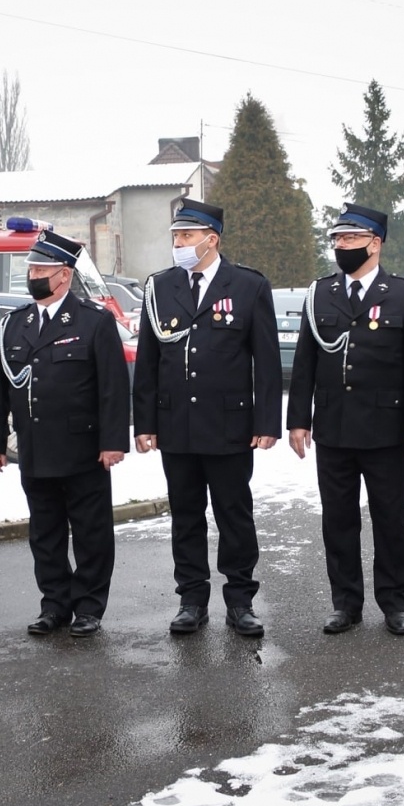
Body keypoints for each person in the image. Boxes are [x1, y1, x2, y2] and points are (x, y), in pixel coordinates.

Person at [286, 203, 404, 636]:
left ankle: (394, 603)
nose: (341, 246)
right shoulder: (320, 293)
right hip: (333, 428)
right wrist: (299, 420)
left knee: (390, 518)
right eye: (337, 239)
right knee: (338, 519)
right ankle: (346, 604)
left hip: (385, 429)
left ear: (375, 243)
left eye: (350, 239)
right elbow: (305, 363)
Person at [132, 198, 281, 637]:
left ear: (211, 239)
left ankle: (240, 600)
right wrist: (144, 424)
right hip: (176, 425)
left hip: (230, 426)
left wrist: (266, 423)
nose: (178, 243)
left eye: (187, 236)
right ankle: (191, 599)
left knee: (235, 515)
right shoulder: (160, 287)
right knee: (186, 515)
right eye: (176, 235)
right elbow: (148, 361)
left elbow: (267, 362)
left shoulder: (248, 285)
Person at [0, 231, 129, 638]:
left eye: (40, 269)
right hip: (35, 447)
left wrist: (113, 442)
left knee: (90, 533)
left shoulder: (93, 320)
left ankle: (88, 607)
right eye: (30, 268)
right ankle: (54, 604)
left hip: (83, 448)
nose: (32, 275)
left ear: (63, 275)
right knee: (44, 534)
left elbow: (113, 388)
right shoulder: (15, 323)